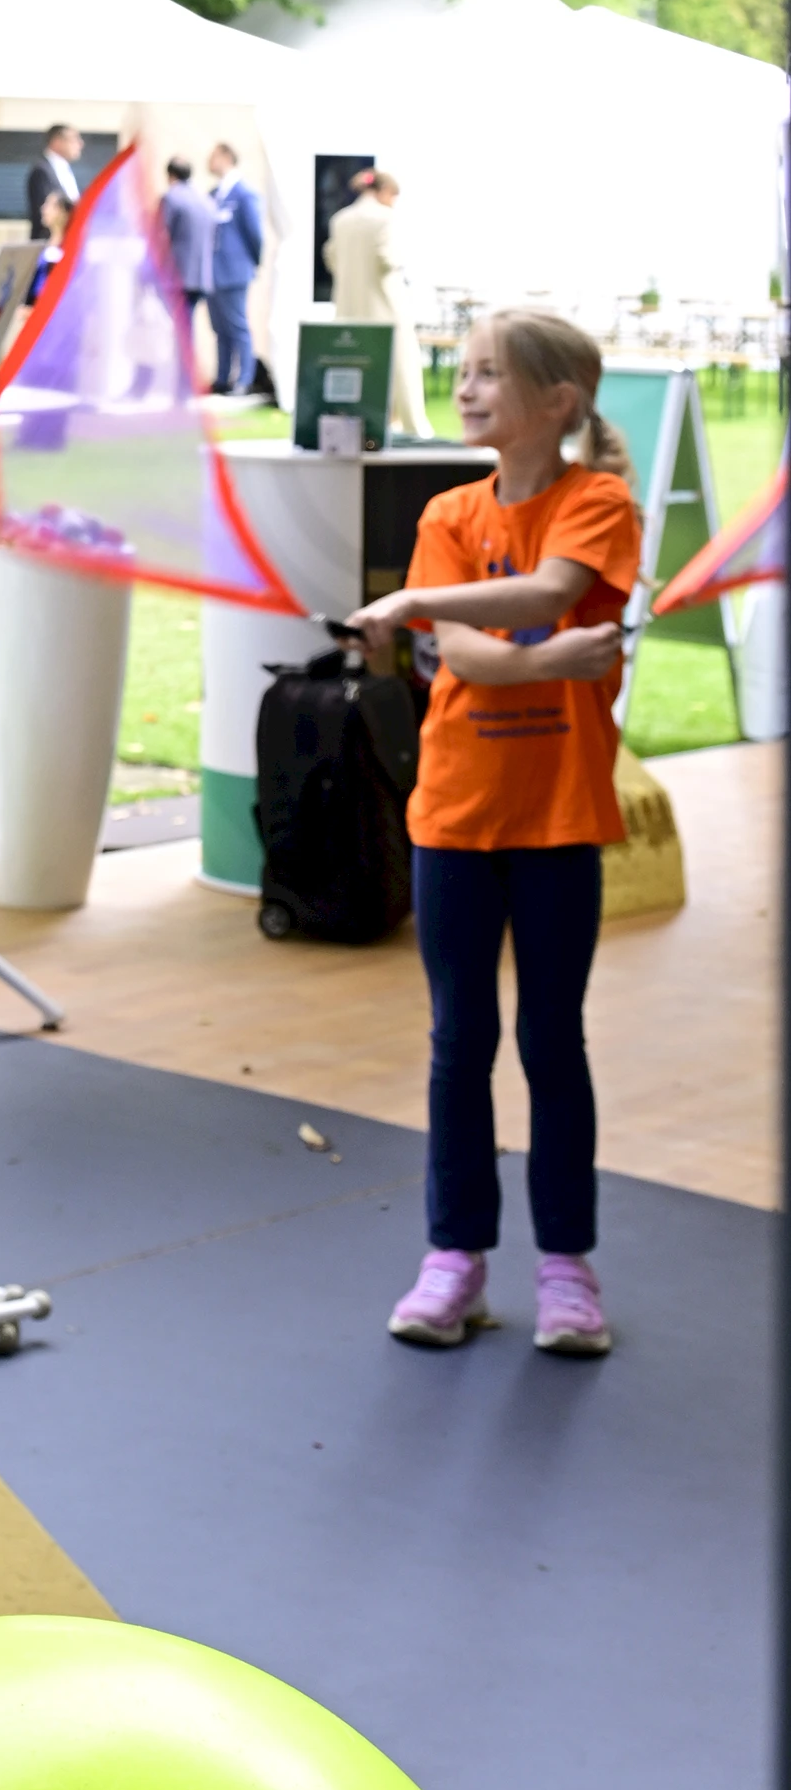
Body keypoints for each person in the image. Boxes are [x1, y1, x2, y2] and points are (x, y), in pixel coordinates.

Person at [349, 310, 642, 1359]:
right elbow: (469, 656)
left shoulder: (596, 502)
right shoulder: (447, 511)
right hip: (455, 819)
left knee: (551, 1040)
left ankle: (567, 1269)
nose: (464, 389)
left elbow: (548, 592)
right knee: (456, 1041)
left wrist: (423, 602)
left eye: (488, 376)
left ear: (557, 403)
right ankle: (454, 1261)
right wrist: (546, 661)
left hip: (558, 818)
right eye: (461, 373)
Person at [326, 167, 430, 438]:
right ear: (384, 192)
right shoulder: (386, 219)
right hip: (386, 306)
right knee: (403, 367)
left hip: (349, 309)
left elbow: (331, 257)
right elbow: (389, 259)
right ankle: (413, 428)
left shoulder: (341, 219)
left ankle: (361, 429)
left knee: (356, 373)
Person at [206, 140, 264, 397]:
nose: (210, 161)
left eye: (214, 156)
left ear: (227, 157)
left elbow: (255, 234)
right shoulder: (213, 194)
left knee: (238, 325)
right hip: (214, 272)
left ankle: (244, 378)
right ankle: (222, 377)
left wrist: (252, 263)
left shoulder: (243, 194)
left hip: (235, 271)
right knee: (220, 328)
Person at [159, 155, 214, 319]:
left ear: (170, 176)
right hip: (200, 275)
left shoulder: (172, 197)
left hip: (178, 275)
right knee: (187, 323)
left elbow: (161, 233)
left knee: (177, 326)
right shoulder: (205, 199)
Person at [27, 122, 83, 234]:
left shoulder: (66, 170)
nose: (80, 144)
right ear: (57, 142)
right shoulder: (42, 171)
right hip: (50, 242)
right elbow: (44, 217)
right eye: (74, 139)